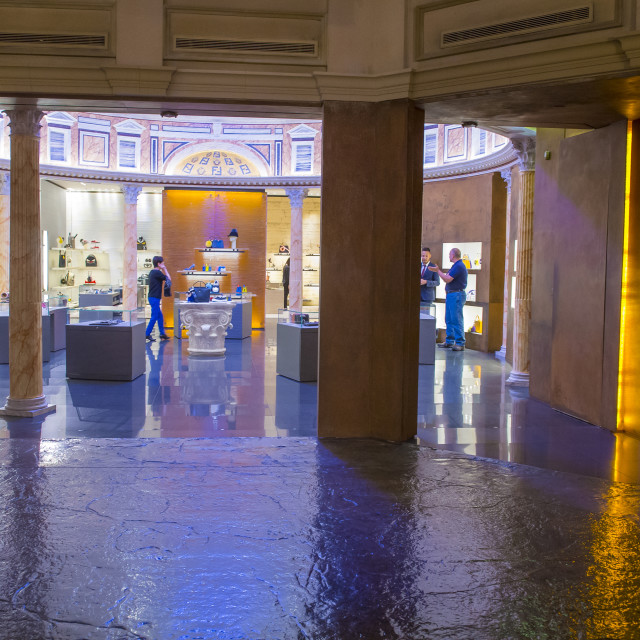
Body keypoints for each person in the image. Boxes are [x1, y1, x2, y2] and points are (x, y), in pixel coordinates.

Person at [429, 247, 467, 351]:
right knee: (449, 318)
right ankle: (450, 340)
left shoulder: (459, 266)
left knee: (456, 319)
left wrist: (437, 271)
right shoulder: (456, 266)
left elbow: (447, 279)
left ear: (453, 255)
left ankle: (460, 342)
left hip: (456, 295)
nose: (449, 256)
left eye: (450, 254)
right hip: (452, 295)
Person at [146, 255, 171, 342]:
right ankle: (146, 334)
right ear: (158, 263)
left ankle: (162, 334)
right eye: (162, 262)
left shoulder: (153, 272)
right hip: (154, 298)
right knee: (154, 316)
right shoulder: (157, 272)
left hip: (153, 297)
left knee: (160, 316)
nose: (164, 263)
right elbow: (169, 279)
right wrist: (164, 269)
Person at [420, 246, 439, 316]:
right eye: (422, 256)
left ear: (430, 256)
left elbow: (437, 282)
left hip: (427, 297)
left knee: (425, 317)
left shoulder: (433, 267)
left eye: (426, 256)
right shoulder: (417, 266)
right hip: (417, 296)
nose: (424, 258)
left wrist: (426, 282)